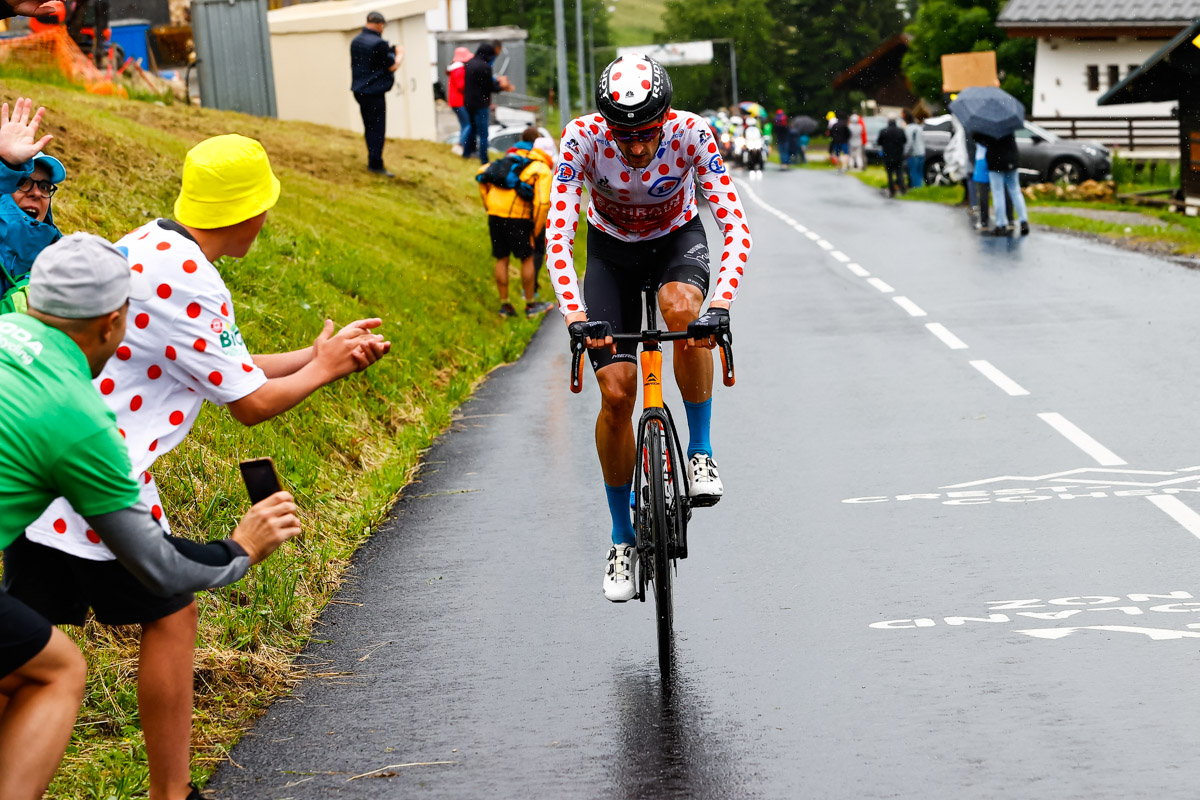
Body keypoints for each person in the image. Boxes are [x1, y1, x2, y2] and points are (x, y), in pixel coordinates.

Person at [13, 134, 391, 800]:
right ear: (252, 212)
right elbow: (250, 403)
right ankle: (172, 791)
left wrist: (313, 354)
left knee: (26, 649)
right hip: (93, 473)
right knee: (170, 609)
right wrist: (325, 370)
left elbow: (222, 365)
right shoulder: (192, 278)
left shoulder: (153, 247)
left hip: (40, 473)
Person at [0, 233, 304, 800]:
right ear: (115, 323)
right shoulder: (82, 421)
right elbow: (159, 569)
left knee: (19, 652)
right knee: (56, 669)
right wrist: (240, 548)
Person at [549, 54, 751, 602]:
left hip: (675, 242)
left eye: (647, 134)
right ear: (605, 123)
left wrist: (721, 306)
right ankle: (620, 537)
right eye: (624, 135)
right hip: (610, 255)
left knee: (683, 310)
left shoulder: (693, 133)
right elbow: (560, 235)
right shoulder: (581, 139)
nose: (636, 147)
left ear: (666, 119)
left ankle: (701, 449)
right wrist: (577, 316)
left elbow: (734, 224)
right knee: (616, 394)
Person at [476, 125, 554, 318]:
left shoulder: (508, 159)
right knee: (527, 257)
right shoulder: (540, 168)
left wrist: (488, 205)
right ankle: (530, 305)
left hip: (495, 213)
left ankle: (505, 306)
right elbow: (543, 203)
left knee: (501, 258)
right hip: (518, 217)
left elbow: (483, 174)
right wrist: (535, 231)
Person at [0, 97, 63, 314]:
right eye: (24, 182)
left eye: (45, 186)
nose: (36, 192)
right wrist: (6, 163)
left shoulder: (62, 257)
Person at [349, 11, 400, 177]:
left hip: (359, 90)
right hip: (374, 92)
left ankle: (373, 158)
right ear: (380, 24)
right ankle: (376, 163)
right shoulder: (379, 44)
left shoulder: (356, 41)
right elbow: (391, 65)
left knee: (368, 125)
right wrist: (400, 54)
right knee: (377, 128)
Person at [462, 41, 513, 165]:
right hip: (481, 104)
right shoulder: (485, 67)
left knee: (472, 128)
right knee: (484, 133)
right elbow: (490, 87)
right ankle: (484, 160)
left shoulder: (469, 63)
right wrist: (502, 87)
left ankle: (466, 153)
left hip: (468, 102)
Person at [975, 130, 1030, 236]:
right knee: (1015, 191)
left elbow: (979, 139)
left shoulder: (988, 126)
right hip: (1011, 160)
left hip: (995, 161)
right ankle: (1024, 221)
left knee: (998, 193)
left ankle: (1001, 225)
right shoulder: (1008, 123)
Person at [446, 46, 472, 155]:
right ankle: (460, 145)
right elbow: (461, 86)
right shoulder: (459, 69)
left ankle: (462, 145)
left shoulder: (454, 68)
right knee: (468, 124)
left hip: (454, 101)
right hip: (459, 101)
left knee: (464, 124)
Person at [876, 117, 907, 197]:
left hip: (888, 156)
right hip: (898, 156)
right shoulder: (900, 131)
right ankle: (903, 190)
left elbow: (879, 142)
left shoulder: (883, 131)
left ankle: (892, 190)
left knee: (889, 174)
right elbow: (905, 141)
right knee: (899, 173)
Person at [903, 109, 926, 189]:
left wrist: (905, 153)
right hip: (922, 152)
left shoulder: (908, 129)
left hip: (913, 154)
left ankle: (916, 190)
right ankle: (920, 188)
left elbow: (909, 142)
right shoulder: (919, 127)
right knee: (920, 173)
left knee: (914, 173)